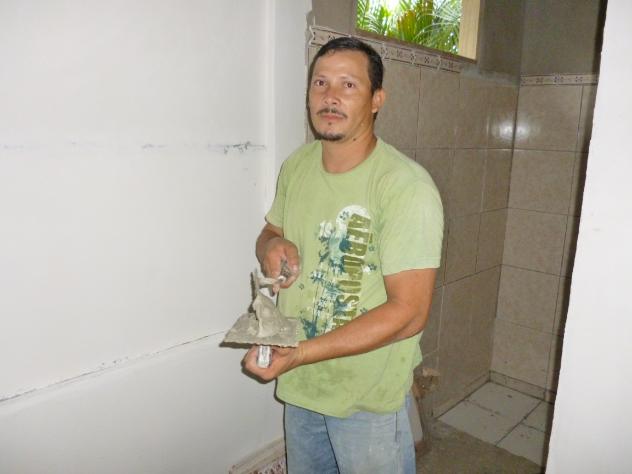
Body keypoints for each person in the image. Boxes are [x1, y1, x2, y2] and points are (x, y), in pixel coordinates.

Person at [242, 36, 444, 474]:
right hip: (302, 385)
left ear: (377, 100)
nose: (330, 96)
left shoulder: (406, 187)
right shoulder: (297, 166)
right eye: (320, 83)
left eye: (348, 85)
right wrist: (271, 245)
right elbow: (271, 230)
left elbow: (410, 313)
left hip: (366, 396)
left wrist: (300, 352)